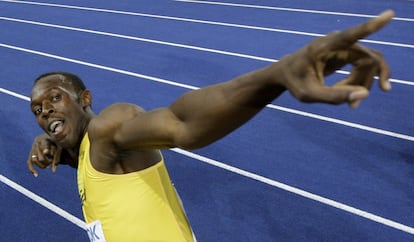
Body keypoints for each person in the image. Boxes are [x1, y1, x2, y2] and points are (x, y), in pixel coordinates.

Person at [27, 10, 394, 242]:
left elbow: (181, 123)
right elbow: (95, 167)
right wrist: (52, 143)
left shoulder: (111, 128)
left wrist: (277, 75)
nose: (45, 111)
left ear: (85, 99)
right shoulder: (90, 148)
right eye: (38, 110)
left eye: (55, 98)